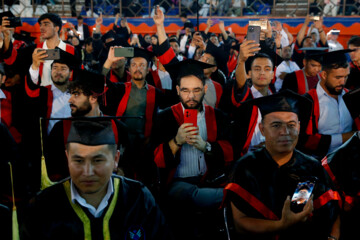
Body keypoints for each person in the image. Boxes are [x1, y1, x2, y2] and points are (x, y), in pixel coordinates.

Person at [20, 120, 173, 239]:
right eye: (78, 161)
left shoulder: (138, 199)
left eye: (98, 160)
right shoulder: (44, 206)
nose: (87, 172)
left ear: (115, 159)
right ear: (67, 158)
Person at [223, 89, 341, 240]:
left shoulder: (311, 166)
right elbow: (240, 224)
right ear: (262, 129)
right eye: (276, 125)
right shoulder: (245, 168)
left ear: (299, 127)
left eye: (291, 124)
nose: (285, 132)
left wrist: (332, 238)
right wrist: (282, 225)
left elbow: (333, 211)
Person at [151, 59, 233, 240]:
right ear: (178, 90)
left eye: (196, 90)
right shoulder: (164, 117)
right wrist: (176, 141)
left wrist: (206, 146)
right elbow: (155, 159)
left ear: (204, 89)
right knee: (187, 196)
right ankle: (226, 197)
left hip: (209, 180)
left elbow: (229, 153)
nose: (191, 96)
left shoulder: (218, 116)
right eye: (186, 91)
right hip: (177, 183)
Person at [299, 49, 358, 160]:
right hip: (320, 164)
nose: (343, 82)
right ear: (324, 75)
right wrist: (347, 137)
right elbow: (304, 140)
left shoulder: (352, 97)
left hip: (352, 161)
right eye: (338, 77)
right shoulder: (307, 101)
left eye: (346, 76)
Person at [1, 13, 76, 87]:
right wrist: (7, 36)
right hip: (40, 95)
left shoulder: (71, 50)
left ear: (56, 28)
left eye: (46, 24)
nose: (41, 28)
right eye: (41, 25)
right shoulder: (33, 50)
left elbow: (76, 76)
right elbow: (11, 59)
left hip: (65, 95)